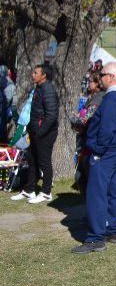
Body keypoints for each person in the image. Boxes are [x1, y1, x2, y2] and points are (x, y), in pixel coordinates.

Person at [72, 62, 116, 254]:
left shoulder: (112, 98)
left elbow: (106, 129)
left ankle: (96, 238)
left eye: (103, 74)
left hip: (105, 152)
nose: (101, 78)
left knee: (96, 194)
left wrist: (97, 150)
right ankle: (114, 230)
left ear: (112, 77)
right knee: (114, 190)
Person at [12, 64, 59, 204]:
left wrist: (40, 131)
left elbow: (51, 115)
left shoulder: (48, 89)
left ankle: (46, 192)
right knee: (32, 160)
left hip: (45, 133)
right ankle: (29, 189)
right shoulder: (38, 88)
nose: (33, 74)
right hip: (35, 131)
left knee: (44, 162)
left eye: (35, 72)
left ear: (43, 75)